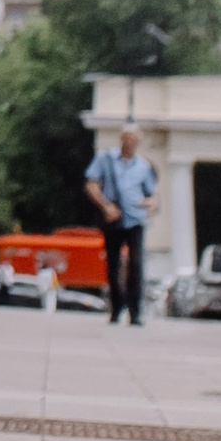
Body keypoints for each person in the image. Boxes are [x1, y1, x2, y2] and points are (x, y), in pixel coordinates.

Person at [86, 128, 159, 327]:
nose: (130, 142)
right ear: (121, 139)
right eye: (127, 138)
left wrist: (151, 204)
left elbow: (151, 194)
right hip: (113, 218)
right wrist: (105, 205)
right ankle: (116, 308)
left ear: (138, 142)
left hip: (135, 218)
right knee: (113, 263)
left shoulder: (143, 166)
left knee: (136, 264)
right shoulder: (106, 159)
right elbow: (91, 184)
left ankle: (135, 311)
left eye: (134, 139)